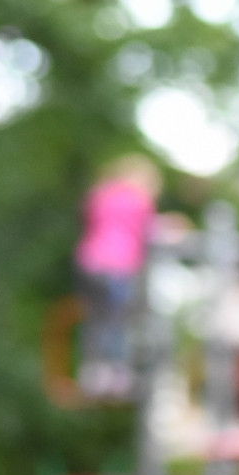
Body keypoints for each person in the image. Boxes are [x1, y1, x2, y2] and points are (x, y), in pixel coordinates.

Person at [74, 154, 162, 399]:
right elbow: (150, 231)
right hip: (118, 266)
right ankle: (116, 373)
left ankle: (92, 371)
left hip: (89, 263)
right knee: (119, 320)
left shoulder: (100, 195)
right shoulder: (139, 201)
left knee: (96, 318)